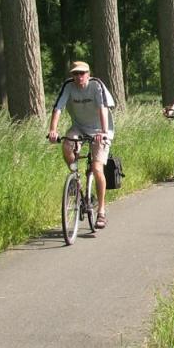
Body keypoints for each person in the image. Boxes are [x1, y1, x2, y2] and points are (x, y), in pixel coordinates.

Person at [48, 60, 116, 228]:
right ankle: (75, 178)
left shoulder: (96, 86)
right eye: (75, 74)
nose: (79, 77)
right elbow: (58, 108)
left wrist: (103, 132)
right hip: (78, 127)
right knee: (66, 145)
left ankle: (101, 211)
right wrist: (53, 130)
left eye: (82, 73)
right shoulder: (68, 86)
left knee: (97, 168)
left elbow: (103, 109)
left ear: (88, 74)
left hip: (101, 129)